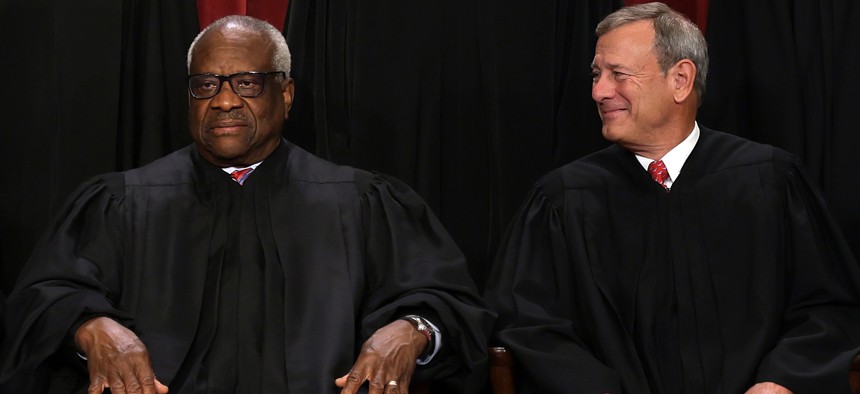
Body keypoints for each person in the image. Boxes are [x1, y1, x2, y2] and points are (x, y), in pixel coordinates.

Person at [0, 15, 494, 394]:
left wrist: (412, 330)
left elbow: (453, 306)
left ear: (287, 93)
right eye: (206, 84)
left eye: (247, 82)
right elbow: (42, 298)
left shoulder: (361, 202)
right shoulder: (122, 201)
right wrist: (91, 326)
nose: (224, 101)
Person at [483, 2, 860, 394]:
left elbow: (827, 308)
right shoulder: (564, 198)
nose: (598, 91)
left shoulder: (770, 180)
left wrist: (781, 381)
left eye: (618, 74)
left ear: (680, 79)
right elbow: (526, 325)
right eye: (596, 75)